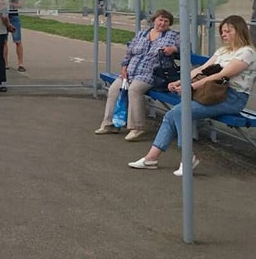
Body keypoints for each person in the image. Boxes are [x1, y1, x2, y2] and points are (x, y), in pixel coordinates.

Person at [129, 15, 255, 175]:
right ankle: (151, 158)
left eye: (227, 31)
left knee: (180, 113)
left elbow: (222, 75)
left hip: (232, 97)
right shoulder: (223, 51)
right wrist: (180, 82)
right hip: (212, 93)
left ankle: (186, 159)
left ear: (239, 31)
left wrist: (191, 86)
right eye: (222, 31)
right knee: (172, 114)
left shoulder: (247, 52)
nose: (223, 34)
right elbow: (201, 69)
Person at [95, 9, 180, 141]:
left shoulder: (173, 35)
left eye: (166, 21)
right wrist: (124, 67)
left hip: (152, 73)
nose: (162, 23)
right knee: (114, 89)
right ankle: (110, 124)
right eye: (160, 20)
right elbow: (129, 53)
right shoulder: (142, 33)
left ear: (169, 24)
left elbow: (185, 46)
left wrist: (173, 49)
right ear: (154, 20)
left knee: (134, 89)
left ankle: (137, 127)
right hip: (131, 70)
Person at [3, 0, 26, 72]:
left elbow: (21, 4)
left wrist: (10, 3)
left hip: (14, 16)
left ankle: (20, 63)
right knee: (3, 41)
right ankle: (5, 63)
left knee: (18, 40)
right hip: (4, 16)